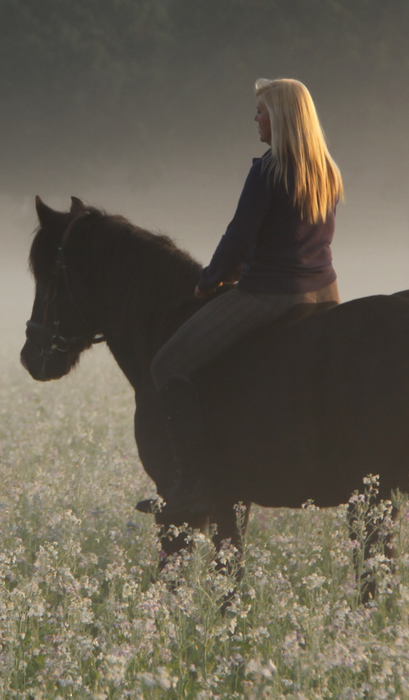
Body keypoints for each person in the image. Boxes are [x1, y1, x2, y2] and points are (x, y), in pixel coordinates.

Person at [150, 77, 344, 523]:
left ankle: (191, 483)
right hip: (325, 293)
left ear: (280, 118)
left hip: (272, 294)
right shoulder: (327, 169)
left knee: (168, 363)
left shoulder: (268, 169)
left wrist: (211, 279)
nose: (254, 118)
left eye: (261, 111)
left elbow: (240, 236)